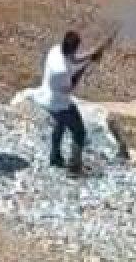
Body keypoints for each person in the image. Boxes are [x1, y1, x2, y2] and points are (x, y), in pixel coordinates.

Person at [34, 30, 109, 174]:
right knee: (79, 132)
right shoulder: (61, 71)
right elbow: (72, 85)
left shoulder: (56, 50)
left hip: (48, 98)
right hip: (59, 103)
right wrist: (87, 64)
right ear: (73, 48)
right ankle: (74, 168)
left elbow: (73, 60)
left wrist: (91, 54)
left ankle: (55, 158)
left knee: (60, 125)